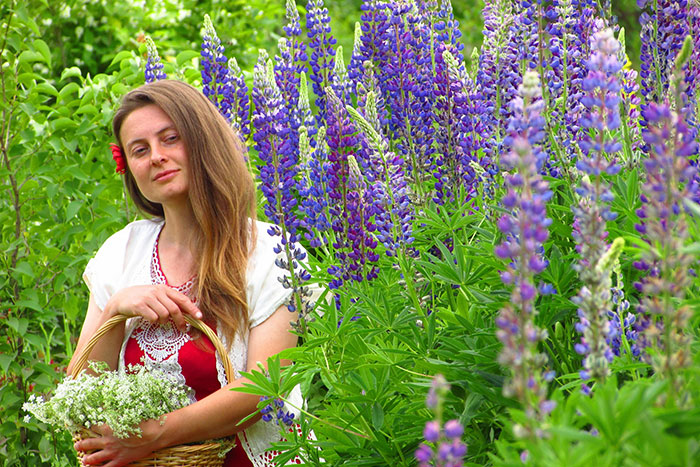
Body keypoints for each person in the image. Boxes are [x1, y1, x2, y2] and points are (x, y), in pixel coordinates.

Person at [66, 80, 305, 467]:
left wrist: (151, 435)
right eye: (139, 150)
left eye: (170, 138)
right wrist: (115, 311)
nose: (156, 157)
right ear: (129, 168)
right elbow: (79, 396)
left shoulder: (269, 250)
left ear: (201, 141)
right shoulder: (121, 252)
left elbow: (265, 389)